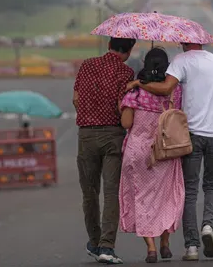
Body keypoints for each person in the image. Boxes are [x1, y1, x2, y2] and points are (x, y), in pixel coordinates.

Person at [126, 42, 213, 261]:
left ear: (184, 42)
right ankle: (208, 225)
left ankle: (191, 246)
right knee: (212, 184)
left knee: (189, 190)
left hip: (191, 134)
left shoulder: (182, 61)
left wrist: (139, 82)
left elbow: (165, 88)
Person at [73, 37, 136, 265]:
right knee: (111, 193)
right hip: (113, 137)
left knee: (89, 193)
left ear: (109, 45)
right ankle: (107, 248)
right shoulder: (126, 72)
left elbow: (76, 99)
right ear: (128, 51)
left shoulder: (87, 65)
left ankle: (94, 240)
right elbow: (123, 107)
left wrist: (91, 112)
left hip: (87, 135)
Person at [119, 47, 185, 263]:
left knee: (142, 199)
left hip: (138, 152)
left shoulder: (134, 93)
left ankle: (151, 248)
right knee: (166, 199)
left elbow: (126, 123)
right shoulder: (174, 92)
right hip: (165, 152)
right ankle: (165, 243)